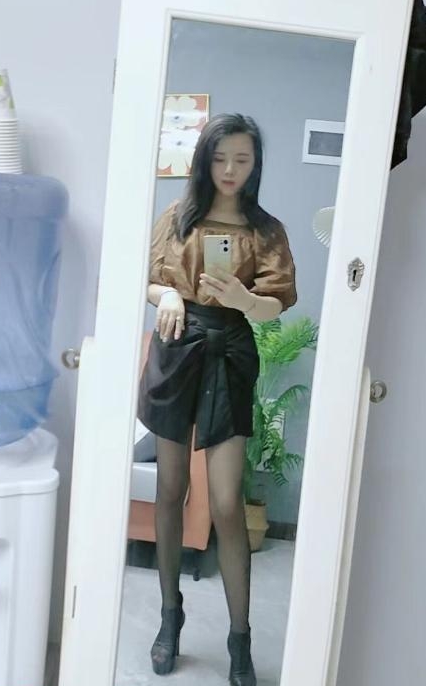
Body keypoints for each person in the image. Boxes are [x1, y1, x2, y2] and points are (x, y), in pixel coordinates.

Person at [137, 113, 297, 685]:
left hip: (230, 351)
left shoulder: (266, 230)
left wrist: (245, 301)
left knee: (227, 503)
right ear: (205, 160)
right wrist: (166, 296)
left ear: (256, 165)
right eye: (221, 157)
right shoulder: (176, 217)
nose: (230, 170)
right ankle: (169, 618)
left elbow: (278, 301)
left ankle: (240, 638)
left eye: (242, 159)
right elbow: (147, 278)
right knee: (170, 489)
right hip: (178, 347)